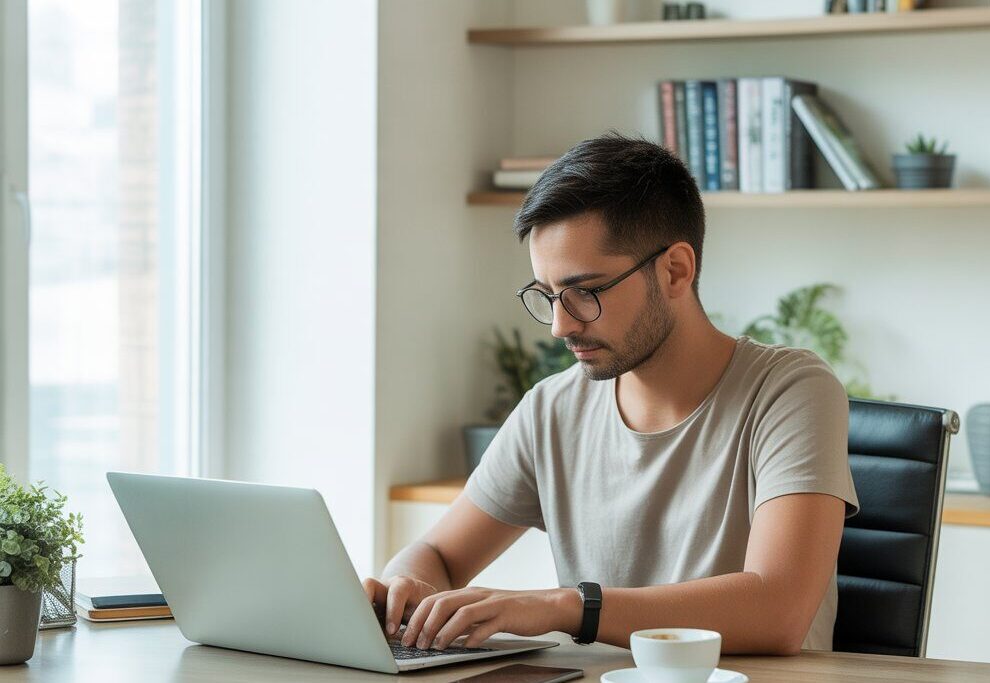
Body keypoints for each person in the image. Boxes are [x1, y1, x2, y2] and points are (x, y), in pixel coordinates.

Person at [363, 133, 859, 655]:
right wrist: (406, 591)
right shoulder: (551, 410)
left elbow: (777, 609)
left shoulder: (790, 391)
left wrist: (566, 607)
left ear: (675, 271)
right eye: (548, 295)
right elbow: (437, 555)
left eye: (585, 292)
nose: (558, 325)